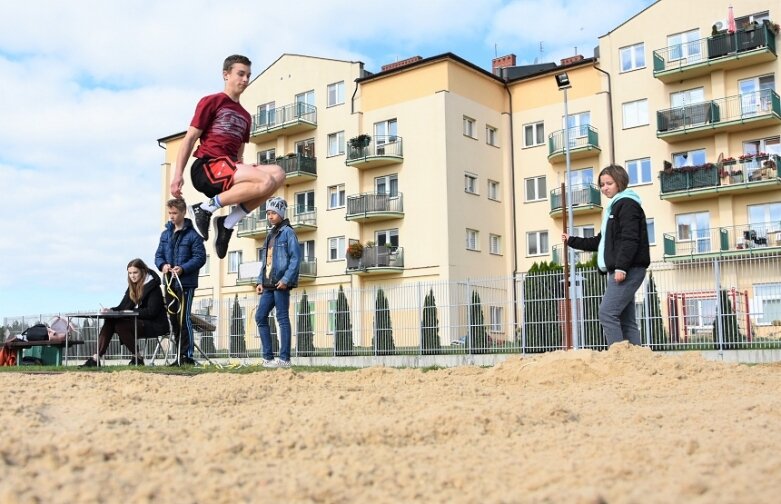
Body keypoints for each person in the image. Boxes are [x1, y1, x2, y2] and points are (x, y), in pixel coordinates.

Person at [171, 54, 286, 260]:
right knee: (265, 179)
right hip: (207, 167)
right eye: (240, 74)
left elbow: (238, 153)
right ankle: (204, 209)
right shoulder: (212, 101)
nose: (245, 80)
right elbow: (189, 139)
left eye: (248, 75)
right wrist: (177, 175)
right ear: (226, 74)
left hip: (229, 167)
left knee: (277, 174)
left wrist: (245, 168)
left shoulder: (244, 116)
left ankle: (227, 223)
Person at [561, 164, 650, 347]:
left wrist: (621, 267)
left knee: (607, 313)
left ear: (620, 183)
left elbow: (630, 239)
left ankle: (618, 359)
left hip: (628, 269)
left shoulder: (627, 205)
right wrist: (571, 240)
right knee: (626, 320)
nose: (604, 188)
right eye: (602, 184)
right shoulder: (614, 208)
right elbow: (598, 242)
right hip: (622, 269)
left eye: (609, 183)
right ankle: (636, 361)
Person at [81, 259, 169, 367]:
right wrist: (111, 310)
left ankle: (137, 357)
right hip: (140, 322)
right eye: (130, 273)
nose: (132, 276)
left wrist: (131, 312)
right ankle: (96, 358)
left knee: (120, 325)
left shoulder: (153, 287)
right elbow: (123, 307)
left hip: (155, 324)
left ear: (142, 271)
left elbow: (152, 312)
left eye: (135, 272)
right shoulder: (133, 287)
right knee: (110, 320)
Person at [155, 198, 207, 365]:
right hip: (169, 283)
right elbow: (158, 256)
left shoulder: (194, 235)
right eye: (170, 213)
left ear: (183, 212)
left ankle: (187, 356)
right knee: (173, 318)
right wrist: (162, 265)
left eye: (175, 213)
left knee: (183, 318)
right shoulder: (165, 234)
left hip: (186, 283)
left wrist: (183, 268)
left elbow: (200, 258)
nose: (171, 216)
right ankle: (178, 356)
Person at [254, 197, 301, 368]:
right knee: (260, 316)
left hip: (281, 284)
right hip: (267, 284)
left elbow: (295, 259)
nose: (270, 216)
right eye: (268, 213)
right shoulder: (270, 234)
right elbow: (265, 261)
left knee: (282, 318)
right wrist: (260, 280)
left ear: (281, 213)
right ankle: (268, 358)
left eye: (273, 213)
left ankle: (285, 359)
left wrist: (286, 279)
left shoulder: (288, 233)